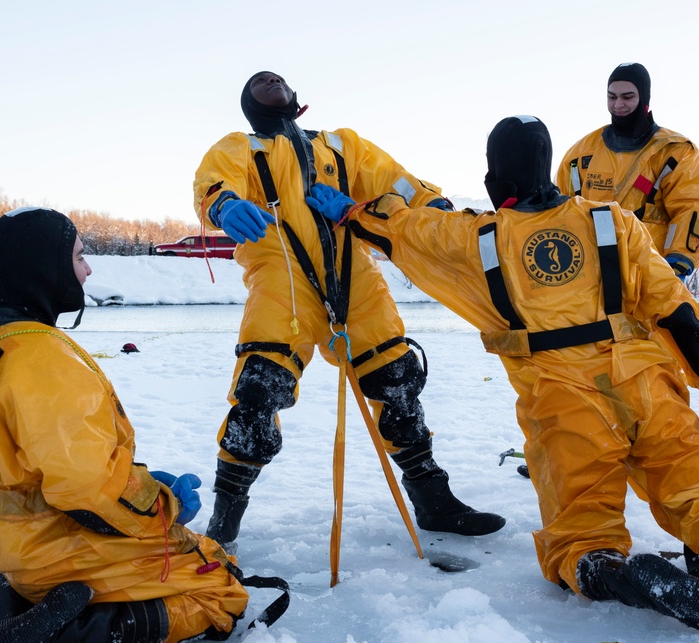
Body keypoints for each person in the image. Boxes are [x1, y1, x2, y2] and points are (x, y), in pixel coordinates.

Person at [303, 116, 699, 636]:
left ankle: (629, 576)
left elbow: (403, 230)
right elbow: (675, 308)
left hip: (565, 403)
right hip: (649, 386)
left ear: (495, 171)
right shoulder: (614, 222)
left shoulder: (475, 241)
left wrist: (351, 212)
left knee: (580, 540)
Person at [0, 208, 272, 643]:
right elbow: (84, 489)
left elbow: (24, 461)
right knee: (220, 588)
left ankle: (20, 590)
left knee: (207, 550)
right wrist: (163, 504)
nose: (88, 269)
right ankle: (55, 629)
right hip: (43, 540)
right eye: (78, 256)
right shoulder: (44, 359)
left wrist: (142, 480)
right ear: (46, 267)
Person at [191, 71, 505, 545]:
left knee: (396, 382)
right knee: (259, 390)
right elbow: (213, 182)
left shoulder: (342, 145)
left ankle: (433, 500)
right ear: (248, 105)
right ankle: (225, 518)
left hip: (354, 276)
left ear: (296, 100)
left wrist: (435, 207)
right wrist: (223, 205)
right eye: (260, 80)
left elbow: (398, 183)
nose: (271, 78)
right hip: (283, 279)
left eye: (278, 77)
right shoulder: (241, 147)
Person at [556, 62, 699, 281]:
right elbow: (560, 213)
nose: (618, 104)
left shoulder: (675, 152)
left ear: (644, 99)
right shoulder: (580, 154)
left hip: (650, 277)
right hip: (589, 277)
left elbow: (692, 206)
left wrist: (679, 260)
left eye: (627, 97)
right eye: (612, 97)